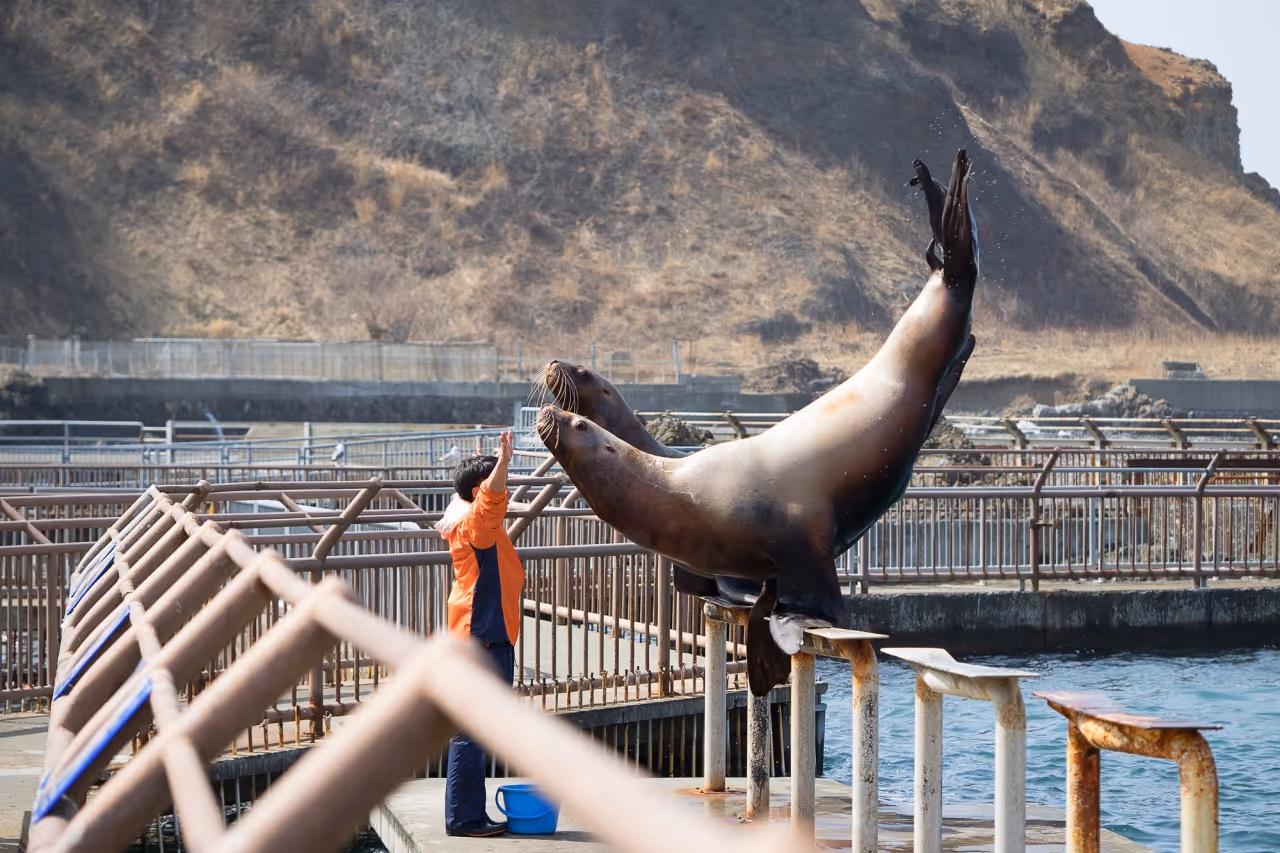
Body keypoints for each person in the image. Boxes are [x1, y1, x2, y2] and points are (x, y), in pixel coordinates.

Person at [434, 431, 523, 838]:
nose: (504, 492)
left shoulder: (463, 517)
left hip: (483, 636)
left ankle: (467, 815)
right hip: (482, 638)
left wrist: (487, 465)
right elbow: (489, 504)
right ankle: (465, 820)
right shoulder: (475, 526)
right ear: (478, 490)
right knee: (472, 731)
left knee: (473, 729)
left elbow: (483, 500)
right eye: (495, 485)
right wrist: (499, 466)